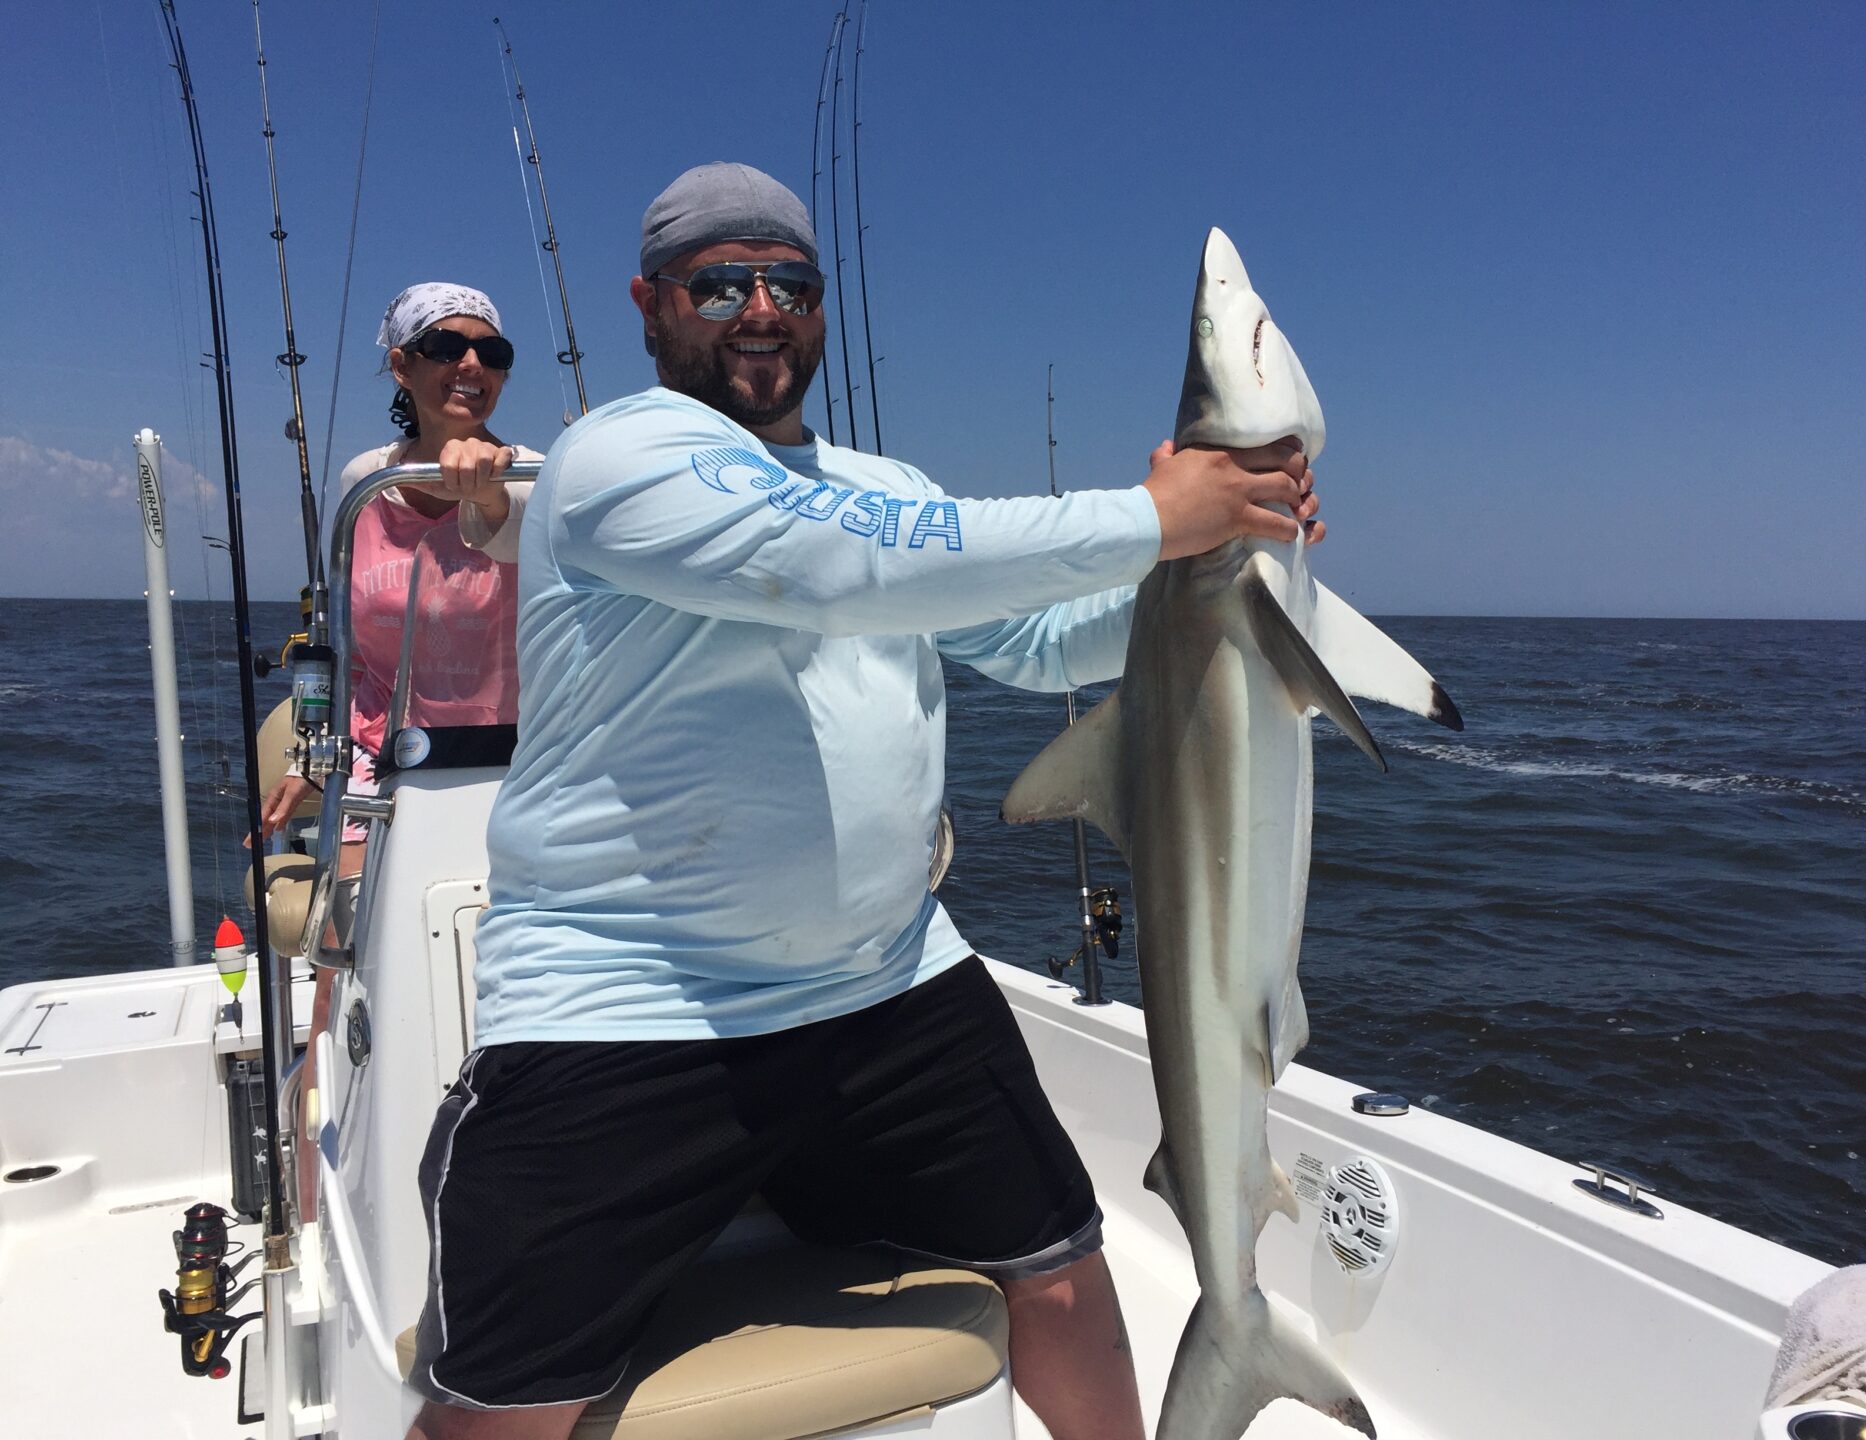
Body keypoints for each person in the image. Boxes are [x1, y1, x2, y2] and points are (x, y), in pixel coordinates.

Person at [405, 164, 1321, 1440]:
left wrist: (1222, 558)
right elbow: (824, 564)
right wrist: (1147, 516)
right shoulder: (613, 456)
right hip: (624, 1004)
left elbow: (1049, 635)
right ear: (649, 304)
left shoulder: (889, 485)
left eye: (790, 283)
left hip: (885, 985)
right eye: (720, 283)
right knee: (499, 1412)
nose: (760, 309)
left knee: (1063, 1275)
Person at [257, 283, 539, 1223]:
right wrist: (310, 751)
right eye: (445, 345)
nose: (471, 366)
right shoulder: (359, 483)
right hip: (380, 760)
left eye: (491, 352)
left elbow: (570, 602)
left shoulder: (540, 474)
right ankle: (323, 1150)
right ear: (401, 363)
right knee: (350, 966)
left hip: (519, 759)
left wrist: (496, 498)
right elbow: (335, 640)